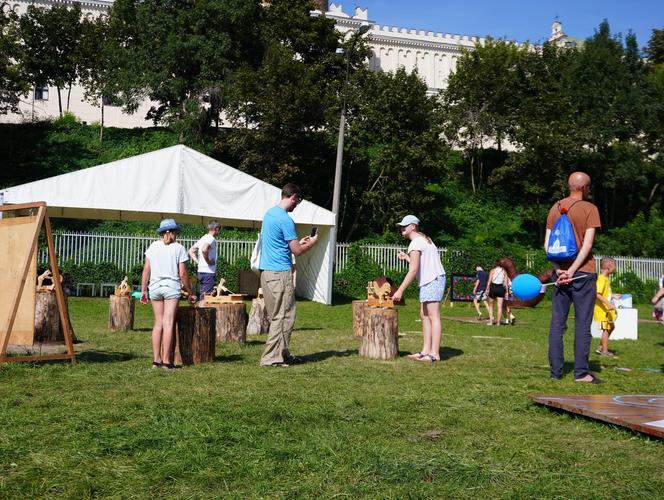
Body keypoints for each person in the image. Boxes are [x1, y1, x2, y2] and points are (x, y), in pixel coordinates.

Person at [545, 172, 602, 383]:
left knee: (557, 323)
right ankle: (580, 373)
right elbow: (587, 246)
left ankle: (556, 373)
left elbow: (547, 245)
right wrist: (573, 271)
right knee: (582, 323)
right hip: (583, 274)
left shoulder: (555, 207)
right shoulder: (590, 209)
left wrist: (559, 269)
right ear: (585, 188)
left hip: (559, 274)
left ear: (569, 186)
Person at [259, 183, 318, 367]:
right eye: (297, 202)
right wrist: (312, 243)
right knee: (284, 316)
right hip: (280, 273)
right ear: (293, 197)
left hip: (266, 273)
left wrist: (297, 242)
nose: (296, 206)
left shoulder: (269, 214)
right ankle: (271, 358)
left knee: (277, 315)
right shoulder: (285, 219)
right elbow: (298, 251)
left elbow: (281, 244)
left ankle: (282, 354)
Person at [141, 218, 196, 370]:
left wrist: (144, 290)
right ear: (170, 233)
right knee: (168, 323)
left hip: (155, 288)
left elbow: (146, 270)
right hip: (171, 288)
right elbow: (183, 274)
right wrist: (190, 292)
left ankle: (155, 361)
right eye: (176, 232)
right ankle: (166, 361)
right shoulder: (179, 248)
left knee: (158, 323)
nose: (177, 235)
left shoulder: (153, 246)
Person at [392, 215, 446, 363]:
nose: (402, 228)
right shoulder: (423, 240)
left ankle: (434, 354)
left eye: (405, 225)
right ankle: (425, 351)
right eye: (401, 226)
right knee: (424, 315)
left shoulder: (416, 243)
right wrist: (407, 258)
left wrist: (400, 290)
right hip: (431, 280)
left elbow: (414, 270)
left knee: (433, 316)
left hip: (433, 280)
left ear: (413, 226)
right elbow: (421, 264)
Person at [594, 257, 621, 356]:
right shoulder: (601, 279)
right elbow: (597, 294)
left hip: (606, 310)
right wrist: (608, 303)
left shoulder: (605, 279)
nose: (615, 269)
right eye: (614, 266)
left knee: (611, 327)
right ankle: (604, 351)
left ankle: (601, 347)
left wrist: (613, 295)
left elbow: (604, 293)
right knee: (606, 329)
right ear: (609, 267)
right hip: (602, 310)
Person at [188, 220, 221, 304]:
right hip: (208, 273)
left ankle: (201, 315)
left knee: (203, 297)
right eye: (219, 228)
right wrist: (209, 262)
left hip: (201, 272)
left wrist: (198, 262)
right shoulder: (211, 239)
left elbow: (191, 251)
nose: (219, 230)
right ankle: (203, 316)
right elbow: (204, 249)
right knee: (206, 299)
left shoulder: (203, 238)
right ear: (216, 228)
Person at [486, 260, 510, 326]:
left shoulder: (492, 271)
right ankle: (498, 323)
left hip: (493, 287)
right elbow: (506, 283)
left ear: (495, 264)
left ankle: (491, 322)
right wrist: (507, 292)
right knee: (499, 307)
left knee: (491, 306)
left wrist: (487, 289)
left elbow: (489, 281)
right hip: (501, 288)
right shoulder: (504, 271)